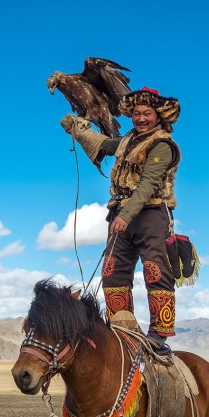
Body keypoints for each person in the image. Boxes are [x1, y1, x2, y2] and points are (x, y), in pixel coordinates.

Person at [61, 86, 181, 355]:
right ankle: (124, 329)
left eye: (146, 113)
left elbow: (148, 184)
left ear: (158, 116)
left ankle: (158, 335)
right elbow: (103, 144)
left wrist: (126, 216)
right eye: (136, 113)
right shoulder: (128, 140)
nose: (140, 118)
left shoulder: (162, 145)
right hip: (119, 215)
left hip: (150, 215)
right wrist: (78, 129)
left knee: (155, 271)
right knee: (112, 273)